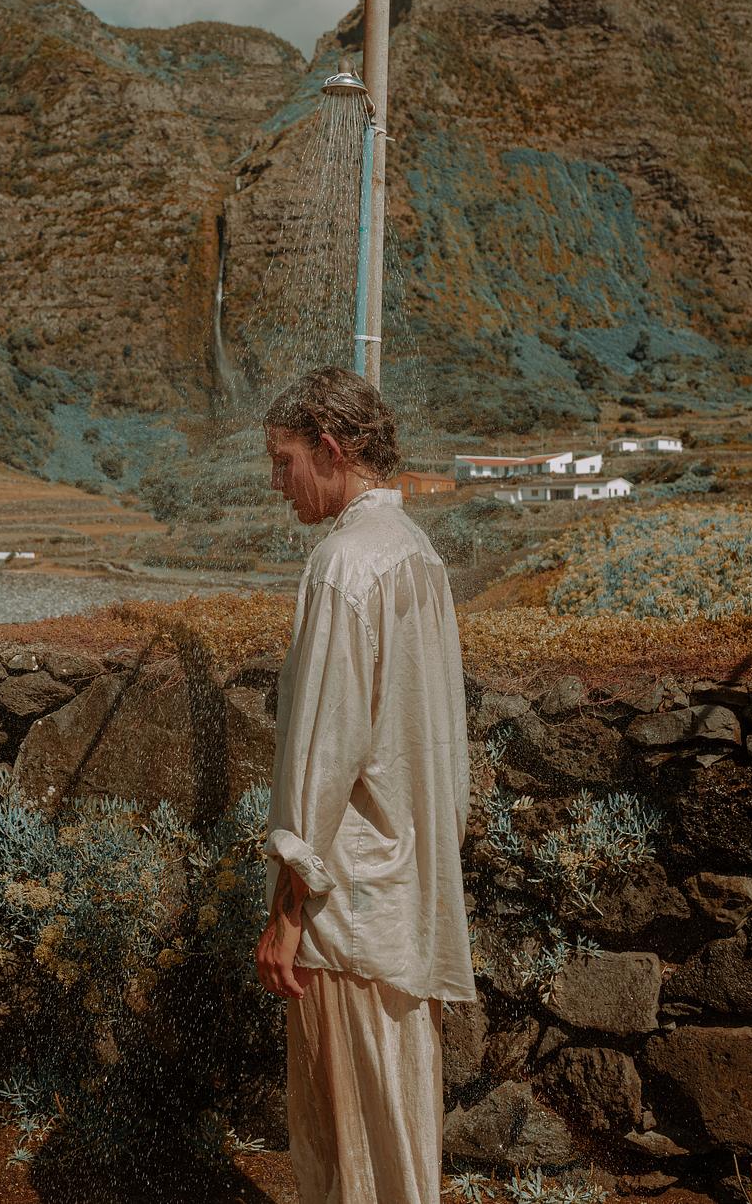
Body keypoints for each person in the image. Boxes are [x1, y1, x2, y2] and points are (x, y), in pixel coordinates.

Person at [255, 365, 476, 1204]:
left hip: (345, 910)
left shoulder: (342, 565)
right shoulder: (418, 552)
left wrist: (286, 915)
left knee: (343, 1146)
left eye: (284, 462)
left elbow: (322, 757)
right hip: (408, 895)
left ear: (331, 449)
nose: (277, 484)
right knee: (398, 1139)